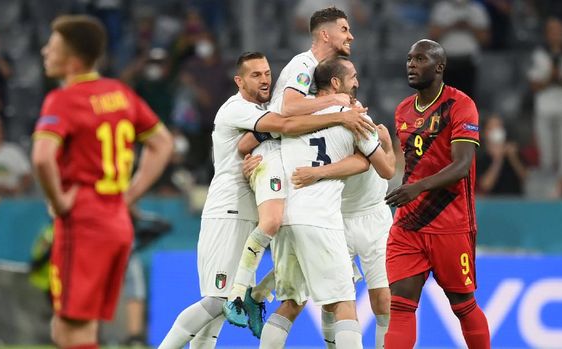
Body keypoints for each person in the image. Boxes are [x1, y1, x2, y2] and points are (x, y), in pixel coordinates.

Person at [157, 51, 372, 349]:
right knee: (218, 300)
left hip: (251, 209)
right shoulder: (237, 109)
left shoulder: (265, 110)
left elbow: (268, 135)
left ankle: (252, 295)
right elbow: (281, 126)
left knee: (218, 310)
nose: (265, 79)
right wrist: (339, 109)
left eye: (267, 73)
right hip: (229, 210)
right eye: (256, 75)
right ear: (239, 80)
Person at [31, 15, 173, 349]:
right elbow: (162, 143)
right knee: (81, 328)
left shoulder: (63, 100)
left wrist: (59, 200)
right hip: (116, 220)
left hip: (83, 222)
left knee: (70, 330)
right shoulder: (120, 94)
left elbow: (41, 157)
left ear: (72, 62)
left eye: (52, 48)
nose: (44, 52)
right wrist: (131, 194)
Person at [222, 6, 360, 335]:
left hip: (291, 164)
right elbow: (289, 109)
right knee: (274, 222)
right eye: (343, 29)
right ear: (325, 34)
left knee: (296, 275)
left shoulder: (328, 72)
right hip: (271, 153)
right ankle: (238, 295)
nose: (350, 35)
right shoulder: (303, 65)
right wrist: (337, 105)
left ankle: (256, 293)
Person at [256, 56, 394, 349]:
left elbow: (252, 143)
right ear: (335, 83)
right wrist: (389, 146)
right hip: (326, 218)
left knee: (294, 302)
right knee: (343, 303)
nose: (357, 82)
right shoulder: (354, 117)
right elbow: (386, 168)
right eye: (353, 76)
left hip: (290, 218)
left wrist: (251, 163)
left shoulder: (291, 124)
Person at [384, 39, 490, 349]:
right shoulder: (403, 110)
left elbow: (461, 166)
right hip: (409, 225)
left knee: (463, 305)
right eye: (409, 58)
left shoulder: (460, 105)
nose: (411, 64)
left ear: (439, 67)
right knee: (401, 306)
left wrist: (416, 188)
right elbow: (409, 165)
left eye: (419, 59)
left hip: (451, 222)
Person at [527, 17, 562, 172]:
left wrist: (559, 76)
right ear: (547, 34)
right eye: (553, 31)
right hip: (544, 106)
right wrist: (550, 77)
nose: (556, 34)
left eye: (559, 31)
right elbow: (534, 85)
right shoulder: (539, 53)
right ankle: (548, 189)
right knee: (546, 152)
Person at [429, 0, 490, 99]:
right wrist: (451, 26)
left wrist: (469, 26)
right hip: (446, 64)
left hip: (468, 63)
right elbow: (432, 35)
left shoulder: (477, 9)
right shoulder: (441, 8)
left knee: (466, 100)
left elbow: (485, 39)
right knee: (445, 100)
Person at [476, 114, 527, 196]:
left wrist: (513, 157)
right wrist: (498, 159)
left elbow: (525, 178)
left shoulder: (514, 152)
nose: (497, 130)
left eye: (499, 126)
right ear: (485, 132)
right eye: (492, 127)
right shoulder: (480, 157)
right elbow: (486, 185)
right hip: (494, 204)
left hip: (516, 202)